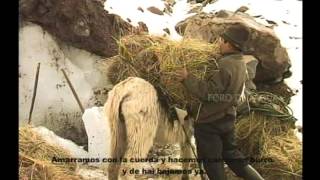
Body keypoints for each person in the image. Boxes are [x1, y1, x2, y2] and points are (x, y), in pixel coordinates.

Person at [173, 25, 264, 180]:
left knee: (213, 164)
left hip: (209, 123)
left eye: (222, 40)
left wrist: (187, 78)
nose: (219, 44)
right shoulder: (240, 63)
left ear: (230, 44)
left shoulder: (225, 65)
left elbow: (209, 93)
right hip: (227, 120)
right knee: (234, 157)